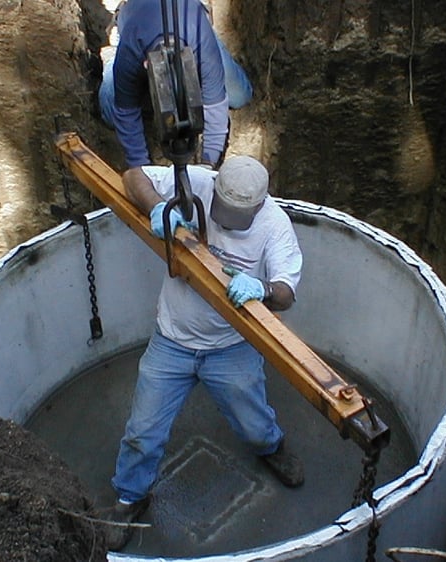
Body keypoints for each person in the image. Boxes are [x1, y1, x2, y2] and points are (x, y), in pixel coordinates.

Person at [100, 156, 304, 551]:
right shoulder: (197, 180)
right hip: (172, 338)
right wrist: (157, 205)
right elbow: (132, 175)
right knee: (143, 429)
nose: (224, 223)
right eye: (221, 213)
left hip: (230, 346)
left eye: (235, 218)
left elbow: (286, 291)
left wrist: (262, 288)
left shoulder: (275, 227)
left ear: (259, 205)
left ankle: (271, 447)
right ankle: (129, 497)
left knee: (253, 422)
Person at [98, 0, 253, 170]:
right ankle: (112, 54)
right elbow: (126, 113)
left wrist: (207, 164)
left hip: (193, 25)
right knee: (110, 112)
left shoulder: (201, 43)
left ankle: (215, 40)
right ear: (146, 65)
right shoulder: (132, 50)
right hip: (132, 24)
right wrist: (140, 167)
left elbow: (215, 107)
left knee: (239, 96)